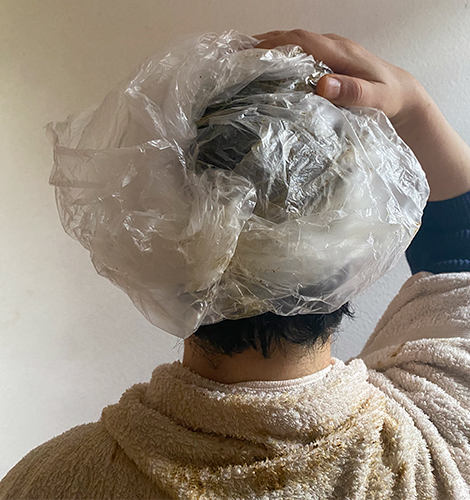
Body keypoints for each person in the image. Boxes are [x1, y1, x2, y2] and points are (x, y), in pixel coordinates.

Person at [1, 29, 470, 500]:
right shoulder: (444, 440)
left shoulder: (46, 483)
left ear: (160, 243)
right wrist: (415, 107)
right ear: (358, 251)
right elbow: (459, 253)